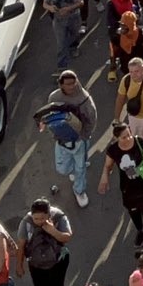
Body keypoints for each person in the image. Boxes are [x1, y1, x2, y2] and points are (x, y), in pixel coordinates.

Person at [35, 69, 99, 208]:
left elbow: (92, 119)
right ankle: (74, 170)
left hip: (79, 140)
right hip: (61, 139)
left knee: (80, 168)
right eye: (68, 84)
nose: (71, 86)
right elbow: (50, 114)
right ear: (61, 84)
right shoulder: (54, 97)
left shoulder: (84, 99)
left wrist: (83, 137)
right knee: (62, 169)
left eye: (73, 83)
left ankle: (79, 191)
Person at [15, 197, 75, 286]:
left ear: (49, 214)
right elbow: (21, 245)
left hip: (58, 261)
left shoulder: (59, 217)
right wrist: (19, 264)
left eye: (42, 218)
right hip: (36, 264)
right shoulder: (26, 223)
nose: (39, 222)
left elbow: (67, 237)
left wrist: (52, 230)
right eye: (36, 219)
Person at [99, 121, 143, 249]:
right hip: (128, 190)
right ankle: (140, 231)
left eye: (129, 134)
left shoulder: (139, 142)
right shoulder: (113, 149)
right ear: (116, 138)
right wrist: (104, 177)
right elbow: (108, 166)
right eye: (124, 137)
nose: (128, 138)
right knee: (134, 213)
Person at [44, 0, 86, 69]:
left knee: (75, 35)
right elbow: (45, 3)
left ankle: (73, 47)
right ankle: (61, 65)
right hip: (59, 19)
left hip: (73, 17)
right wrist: (50, 8)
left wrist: (69, 9)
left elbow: (81, 2)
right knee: (61, 42)